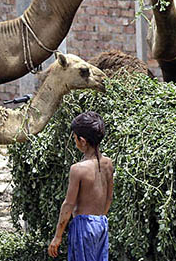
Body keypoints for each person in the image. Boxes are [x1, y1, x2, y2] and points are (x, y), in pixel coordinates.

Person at [48, 111, 114, 260]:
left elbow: (68, 204)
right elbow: (109, 196)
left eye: (75, 137)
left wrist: (57, 237)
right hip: (101, 224)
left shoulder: (78, 169)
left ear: (82, 141)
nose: (74, 140)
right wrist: (99, 218)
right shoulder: (108, 164)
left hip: (84, 227)